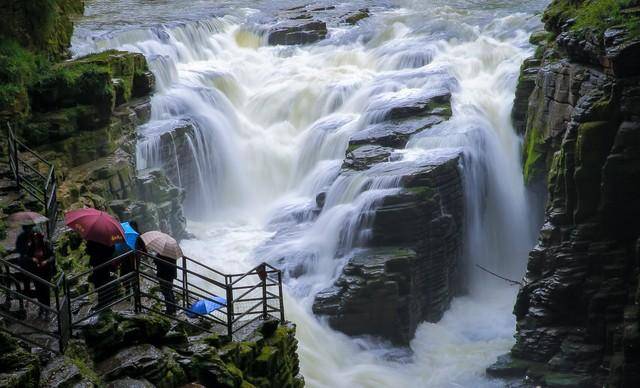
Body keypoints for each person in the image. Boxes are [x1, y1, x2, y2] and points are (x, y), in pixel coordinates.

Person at [26, 232, 55, 319]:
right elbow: (28, 257)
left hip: (46, 272)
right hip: (36, 272)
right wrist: (33, 259)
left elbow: (52, 256)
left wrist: (46, 261)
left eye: (37, 239)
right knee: (38, 291)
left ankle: (47, 310)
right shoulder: (32, 247)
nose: (35, 240)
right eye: (34, 239)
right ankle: (41, 308)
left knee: (45, 291)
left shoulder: (46, 245)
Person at [86, 240, 115, 308]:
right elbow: (112, 250)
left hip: (97, 263)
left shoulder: (93, 239)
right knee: (105, 280)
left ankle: (102, 303)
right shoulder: (108, 239)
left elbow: (89, 251)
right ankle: (107, 301)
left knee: (99, 282)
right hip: (106, 263)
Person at [15, 224, 37, 298]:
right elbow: (18, 249)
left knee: (34, 277)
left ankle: (33, 291)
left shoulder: (34, 235)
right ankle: (27, 292)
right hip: (25, 261)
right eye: (29, 228)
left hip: (32, 260)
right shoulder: (21, 237)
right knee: (26, 277)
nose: (30, 229)